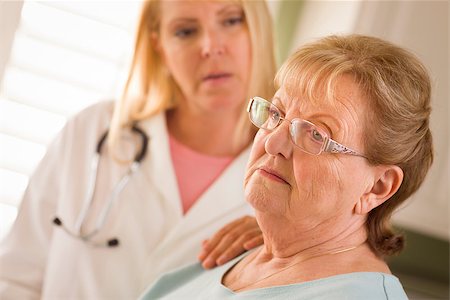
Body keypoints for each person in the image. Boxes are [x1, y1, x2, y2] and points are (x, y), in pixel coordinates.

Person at [0, 0, 276, 299]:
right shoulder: (94, 131)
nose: (210, 46)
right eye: (185, 31)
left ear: (259, 28)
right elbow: (16, 277)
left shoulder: (284, 174)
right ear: (159, 47)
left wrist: (279, 246)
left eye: (232, 21)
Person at [140, 34, 434, 299]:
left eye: (317, 134)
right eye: (276, 113)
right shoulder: (237, 254)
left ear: (378, 187)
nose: (272, 144)